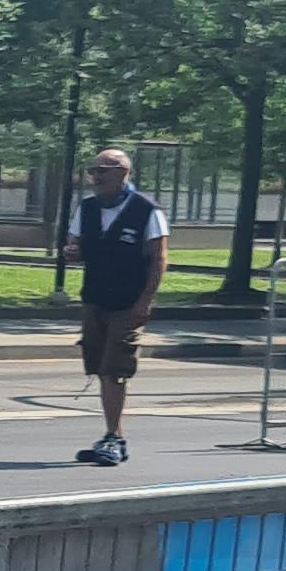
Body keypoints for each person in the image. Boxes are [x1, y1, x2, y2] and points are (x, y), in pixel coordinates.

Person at [71, 146, 167, 467]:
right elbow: (79, 247)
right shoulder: (86, 208)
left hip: (128, 303)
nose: (95, 177)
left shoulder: (146, 211)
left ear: (124, 173)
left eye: (104, 170)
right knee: (100, 368)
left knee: (116, 370)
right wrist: (72, 252)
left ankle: (113, 437)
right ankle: (115, 437)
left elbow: (158, 259)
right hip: (95, 299)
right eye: (94, 170)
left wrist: (145, 302)